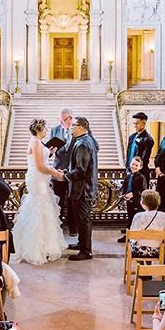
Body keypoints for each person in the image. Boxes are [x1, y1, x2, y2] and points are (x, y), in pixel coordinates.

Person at [11, 118, 66, 265]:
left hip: (41, 178)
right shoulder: (35, 141)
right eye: (45, 128)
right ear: (40, 129)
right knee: (39, 207)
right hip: (37, 178)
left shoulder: (37, 142)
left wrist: (51, 157)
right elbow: (40, 166)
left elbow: (43, 161)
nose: (47, 131)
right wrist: (56, 174)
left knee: (43, 207)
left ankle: (45, 245)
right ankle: (35, 248)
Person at [63, 115, 98, 261]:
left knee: (83, 220)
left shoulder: (83, 144)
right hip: (85, 188)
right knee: (81, 219)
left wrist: (66, 176)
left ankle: (86, 251)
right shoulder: (86, 140)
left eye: (74, 126)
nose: (71, 127)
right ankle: (82, 243)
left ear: (81, 128)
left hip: (82, 190)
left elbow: (81, 170)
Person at [49, 107, 76, 235]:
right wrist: (50, 151)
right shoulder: (55, 130)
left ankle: (72, 227)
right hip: (57, 171)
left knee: (72, 201)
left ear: (70, 118)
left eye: (63, 120)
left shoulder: (77, 130)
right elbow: (49, 151)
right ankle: (57, 227)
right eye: (59, 120)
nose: (61, 123)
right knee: (57, 200)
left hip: (72, 172)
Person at [128, 189, 165, 258]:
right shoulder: (164, 215)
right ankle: (147, 267)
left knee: (133, 243)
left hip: (140, 249)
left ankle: (142, 267)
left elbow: (133, 235)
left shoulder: (138, 216)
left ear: (143, 203)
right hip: (157, 249)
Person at [118, 156, 148, 242]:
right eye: (133, 164)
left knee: (134, 218)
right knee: (130, 216)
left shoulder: (142, 178)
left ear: (140, 167)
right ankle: (129, 230)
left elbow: (143, 191)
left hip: (137, 202)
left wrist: (133, 194)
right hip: (129, 201)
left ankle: (129, 236)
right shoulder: (128, 176)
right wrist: (124, 195)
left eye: (136, 165)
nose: (134, 166)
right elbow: (124, 187)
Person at [126, 111, 155, 185]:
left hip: (141, 174)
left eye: (137, 123)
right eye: (134, 123)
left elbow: (144, 159)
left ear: (144, 123)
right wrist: (128, 169)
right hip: (130, 172)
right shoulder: (132, 137)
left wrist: (135, 170)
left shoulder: (148, 139)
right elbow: (128, 155)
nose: (135, 125)